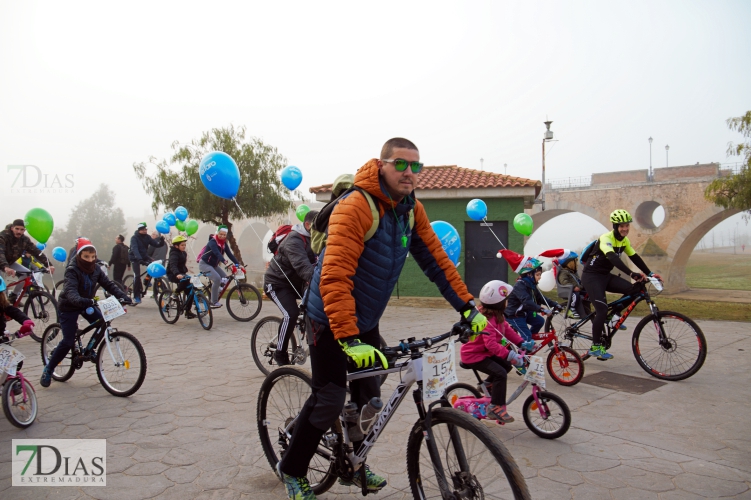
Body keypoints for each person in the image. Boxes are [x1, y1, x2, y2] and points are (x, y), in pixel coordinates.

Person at [276, 138, 487, 499]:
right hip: (327, 318)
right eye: (401, 164)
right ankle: (292, 470)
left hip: (365, 318)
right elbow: (336, 275)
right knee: (329, 396)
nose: (409, 173)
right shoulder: (356, 206)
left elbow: (437, 261)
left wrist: (467, 305)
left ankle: (352, 461)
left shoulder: (410, 209)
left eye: (416, 166)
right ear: (382, 164)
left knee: (370, 392)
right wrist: (347, 338)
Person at [40, 238, 131, 387]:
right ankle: (49, 369)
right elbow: (70, 291)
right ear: (79, 255)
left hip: (86, 303)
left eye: (93, 257)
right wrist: (83, 300)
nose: (90, 260)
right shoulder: (72, 270)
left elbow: (108, 284)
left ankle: (89, 350)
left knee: (102, 322)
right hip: (69, 306)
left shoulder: (95, 269)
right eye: (86, 257)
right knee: (68, 341)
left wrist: (124, 296)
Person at [581, 209, 661, 360]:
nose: (625, 229)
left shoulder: (624, 241)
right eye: (621, 226)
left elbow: (634, 257)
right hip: (591, 277)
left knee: (635, 290)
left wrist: (650, 274)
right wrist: (631, 274)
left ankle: (614, 315)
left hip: (605, 276)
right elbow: (612, 258)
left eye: (627, 225)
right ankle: (596, 346)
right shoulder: (606, 238)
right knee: (601, 309)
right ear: (615, 226)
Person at [460, 280, 534, 423]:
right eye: (506, 300)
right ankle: (495, 407)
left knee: (506, 366)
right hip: (473, 355)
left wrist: (521, 343)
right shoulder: (486, 320)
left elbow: (507, 330)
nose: (507, 303)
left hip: (483, 353)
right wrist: (511, 354)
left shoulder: (498, 316)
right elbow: (492, 345)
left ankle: (487, 384)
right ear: (499, 303)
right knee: (500, 373)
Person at [264, 210, 319, 366]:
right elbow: (304, 268)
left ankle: (308, 333)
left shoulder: (316, 238)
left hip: (296, 283)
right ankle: (280, 354)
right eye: (319, 226)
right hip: (277, 283)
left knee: (317, 306)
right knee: (291, 314)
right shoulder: (294, 240)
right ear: (308, 225)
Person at [500, 249, 560, 343]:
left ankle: (529, 341)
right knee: (526, 336)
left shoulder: (531, 285)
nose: (540, 277)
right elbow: (527, 302)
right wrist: (541, 309)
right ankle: (524, 352)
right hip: (515, 315)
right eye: (537, 274)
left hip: (525, 313)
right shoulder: (520, 285)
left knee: (539, 321)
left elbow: (540, 298)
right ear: (529, 275)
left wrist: (554, 304)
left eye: (540, 274)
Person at [0, 219, 54, 302]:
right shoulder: (3, 236)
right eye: (17, 229)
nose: (19, 232)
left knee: (26, 274)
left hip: (9, 263)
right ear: (12, 228)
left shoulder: (25, 240)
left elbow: (36, 252)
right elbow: (1, 252)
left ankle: (13, 296)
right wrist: (5, 267)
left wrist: (49, 264)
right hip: (3, 262)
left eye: (22, 230)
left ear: (24, 230)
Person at [198, 226, 241, 309]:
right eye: (221, 234)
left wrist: (237, 263)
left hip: (213, 265)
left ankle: (215, 291)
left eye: (224, 235)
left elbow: (230, 254)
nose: (222, 236)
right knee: (217, 279)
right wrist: (224, 261)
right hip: (204, 264)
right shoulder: (212, 242)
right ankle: (213, 301)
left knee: (225, 278)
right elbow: (217, 253)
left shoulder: (224, 244)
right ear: (217, 233)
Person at [128, 223, 165, 305]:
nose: (145, 231)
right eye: (143, 229)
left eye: (146, 229)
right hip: (135, 257)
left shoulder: (147, 237)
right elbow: (135, 249)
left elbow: (156, 244)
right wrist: (139, 259)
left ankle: (147, 280)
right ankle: (136, 295)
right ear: (139, 230)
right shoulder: (134, 238)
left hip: (144, 255)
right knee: (137, 276)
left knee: (154, 264)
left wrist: (161, 241)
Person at [166, 236, 195, 319]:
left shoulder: (183, 253)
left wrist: (184, 272)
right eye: (182, 245)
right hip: (173, 274)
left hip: (181, 274)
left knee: (191, 292)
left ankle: (188, 312)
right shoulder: (174, 254)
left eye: (185, 245)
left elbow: (182, 265)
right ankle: (176, 293)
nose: (184, 246)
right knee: (185, 281)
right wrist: (177, 274)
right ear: (176, 246)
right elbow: (173, 265)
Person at [555, 251, 590, 319]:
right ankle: (572, 308)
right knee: (575, 295)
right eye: (575, 262)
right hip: (568, 290)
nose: (576, 264)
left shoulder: (572, 272)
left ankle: (585, 308)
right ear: (570, 263)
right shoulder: (563, 272)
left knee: (588, 293)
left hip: (576, 289)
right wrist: (573, 287)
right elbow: (564, 281)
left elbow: (578, 281)